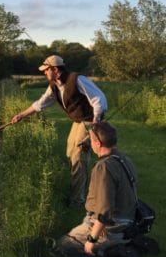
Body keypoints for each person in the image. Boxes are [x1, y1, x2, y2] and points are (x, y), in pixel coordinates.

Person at [12, 55, 107, 208]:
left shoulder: (77, 79)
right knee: (70, 153)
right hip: (77, 121)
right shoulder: (54, 85)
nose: (44, 73)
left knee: (79, 158)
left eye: (46, 70)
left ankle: (77, 201)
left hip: (89, 121)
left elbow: (99, 98)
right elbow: (40, 103)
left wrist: (95, 122)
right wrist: (21, 115)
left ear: (55, 69)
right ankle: (78, 192)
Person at [55, 122, 137, 257]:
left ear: (98, 143)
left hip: (113, 228)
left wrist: (92, 239)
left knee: (61, 246)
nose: (89, 142)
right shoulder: (124, 159)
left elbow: (104, 211)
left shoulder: (103, 167)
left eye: (90, 139)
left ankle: (106, 246)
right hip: (128, 222)